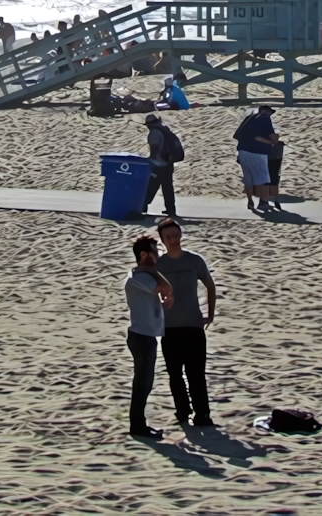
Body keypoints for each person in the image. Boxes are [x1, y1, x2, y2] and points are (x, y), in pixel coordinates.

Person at [154, 217, 217, 428]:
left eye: (176, 235)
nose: (174, 240)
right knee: (174, 374)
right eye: (169, 237)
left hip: (193, 325)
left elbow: (210, 284)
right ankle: (182, 411)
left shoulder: (194, 260)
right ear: (162, 240)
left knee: (196, 373)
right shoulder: (158, 264)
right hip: (168, 327)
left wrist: (210, 314)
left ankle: (202, 414)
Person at [123, 235, 174, 439]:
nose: (158, 255)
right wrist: (151, 269)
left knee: (145, 381)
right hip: (141, 336)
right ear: (143, 255)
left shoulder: (145, 275)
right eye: (154, 251)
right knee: (142, 383)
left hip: (147, 335)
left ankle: (139, 423)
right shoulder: (138, 277)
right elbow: (166, 288)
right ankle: (137, 425)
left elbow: (164, 292)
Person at [234, 105, 278, 211]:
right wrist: (273, 141)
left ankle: (250, 201)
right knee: (262, 178)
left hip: (242, 150)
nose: (270, 115)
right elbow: (259, 137)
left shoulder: (249, 118)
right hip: (257, 152)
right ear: (266, 112)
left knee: (248, 177)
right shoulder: (265, 119)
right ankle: (263, 203)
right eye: (270, 113)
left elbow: (239, 135)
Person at [143, 114, 178, 217]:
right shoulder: (164, 129)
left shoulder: (154, 132)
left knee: (150, 186)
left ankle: (143, 207)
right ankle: (171, 210)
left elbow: (155, 149)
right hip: (168, 163)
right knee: (167, 188)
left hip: (158, 164)